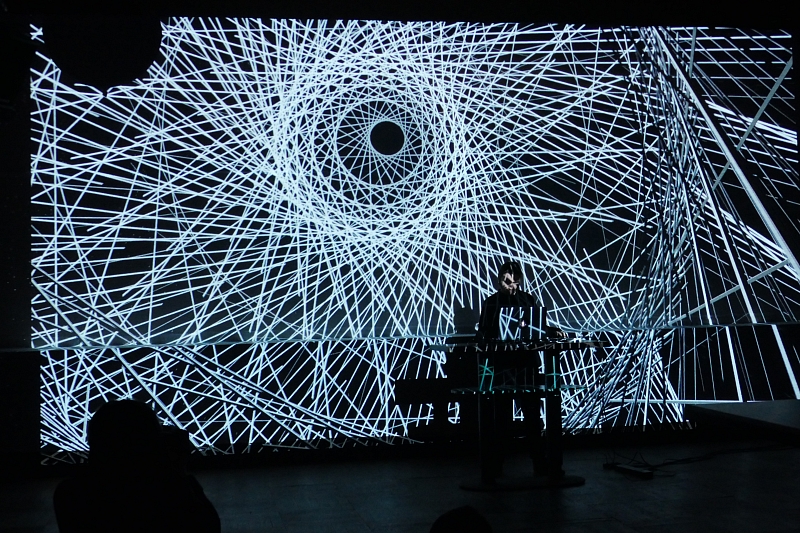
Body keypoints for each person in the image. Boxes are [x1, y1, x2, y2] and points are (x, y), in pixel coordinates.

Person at [53, 399, 220, 533]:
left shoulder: (70, 493)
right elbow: (207, 526)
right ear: (152, 442)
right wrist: (178, 468)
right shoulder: (168, 492)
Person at [475, 260, 563, 479]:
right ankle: (498, 464)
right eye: (508, 282)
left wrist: (551, 331)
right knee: (502, 418)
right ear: (499, 280)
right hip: (504, 365)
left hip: (526, 364)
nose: (512, 286)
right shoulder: (491, 303)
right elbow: (483, 332)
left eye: (515, 282)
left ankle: (539, 462)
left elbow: (537, 327)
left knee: (532, 415)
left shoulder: (527, 299)